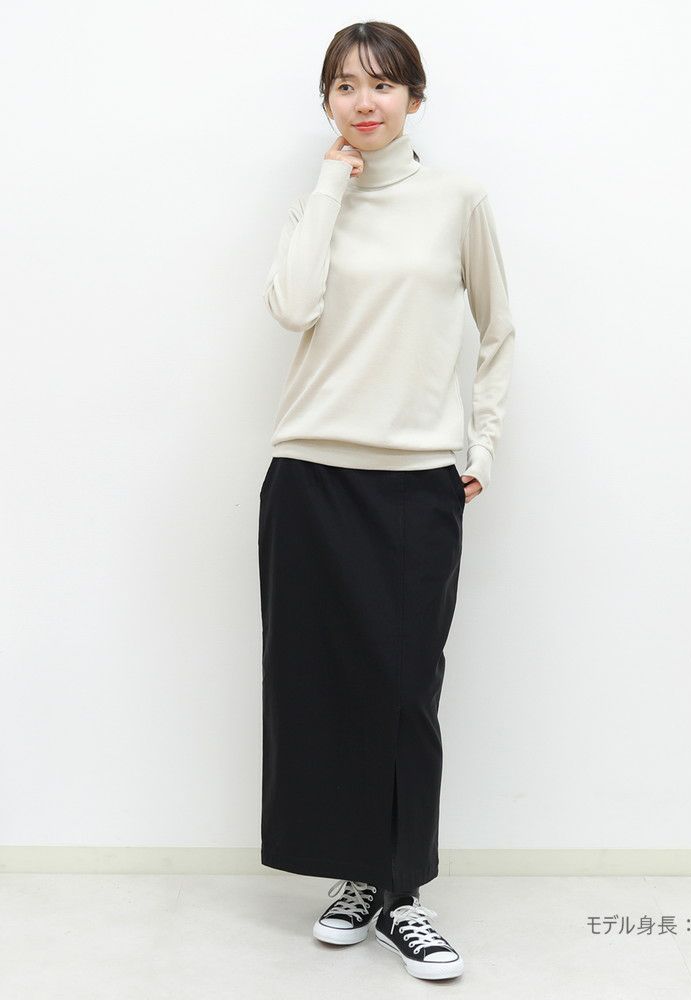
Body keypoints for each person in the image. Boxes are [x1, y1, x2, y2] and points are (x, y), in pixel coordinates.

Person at [258, 21, 515, 981]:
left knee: (405, 692)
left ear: (414, 95)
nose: (363, 102)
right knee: (318, 687)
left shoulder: (457, 200)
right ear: (327, 101)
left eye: (382, 84)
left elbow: (500, 329)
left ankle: (405, 895)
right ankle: (358, 878)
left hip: (414, 480)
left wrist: (480, 445)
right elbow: (292, 307)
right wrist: (331, 187)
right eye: (343, 86)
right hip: (309, 471)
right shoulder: (315, 202)